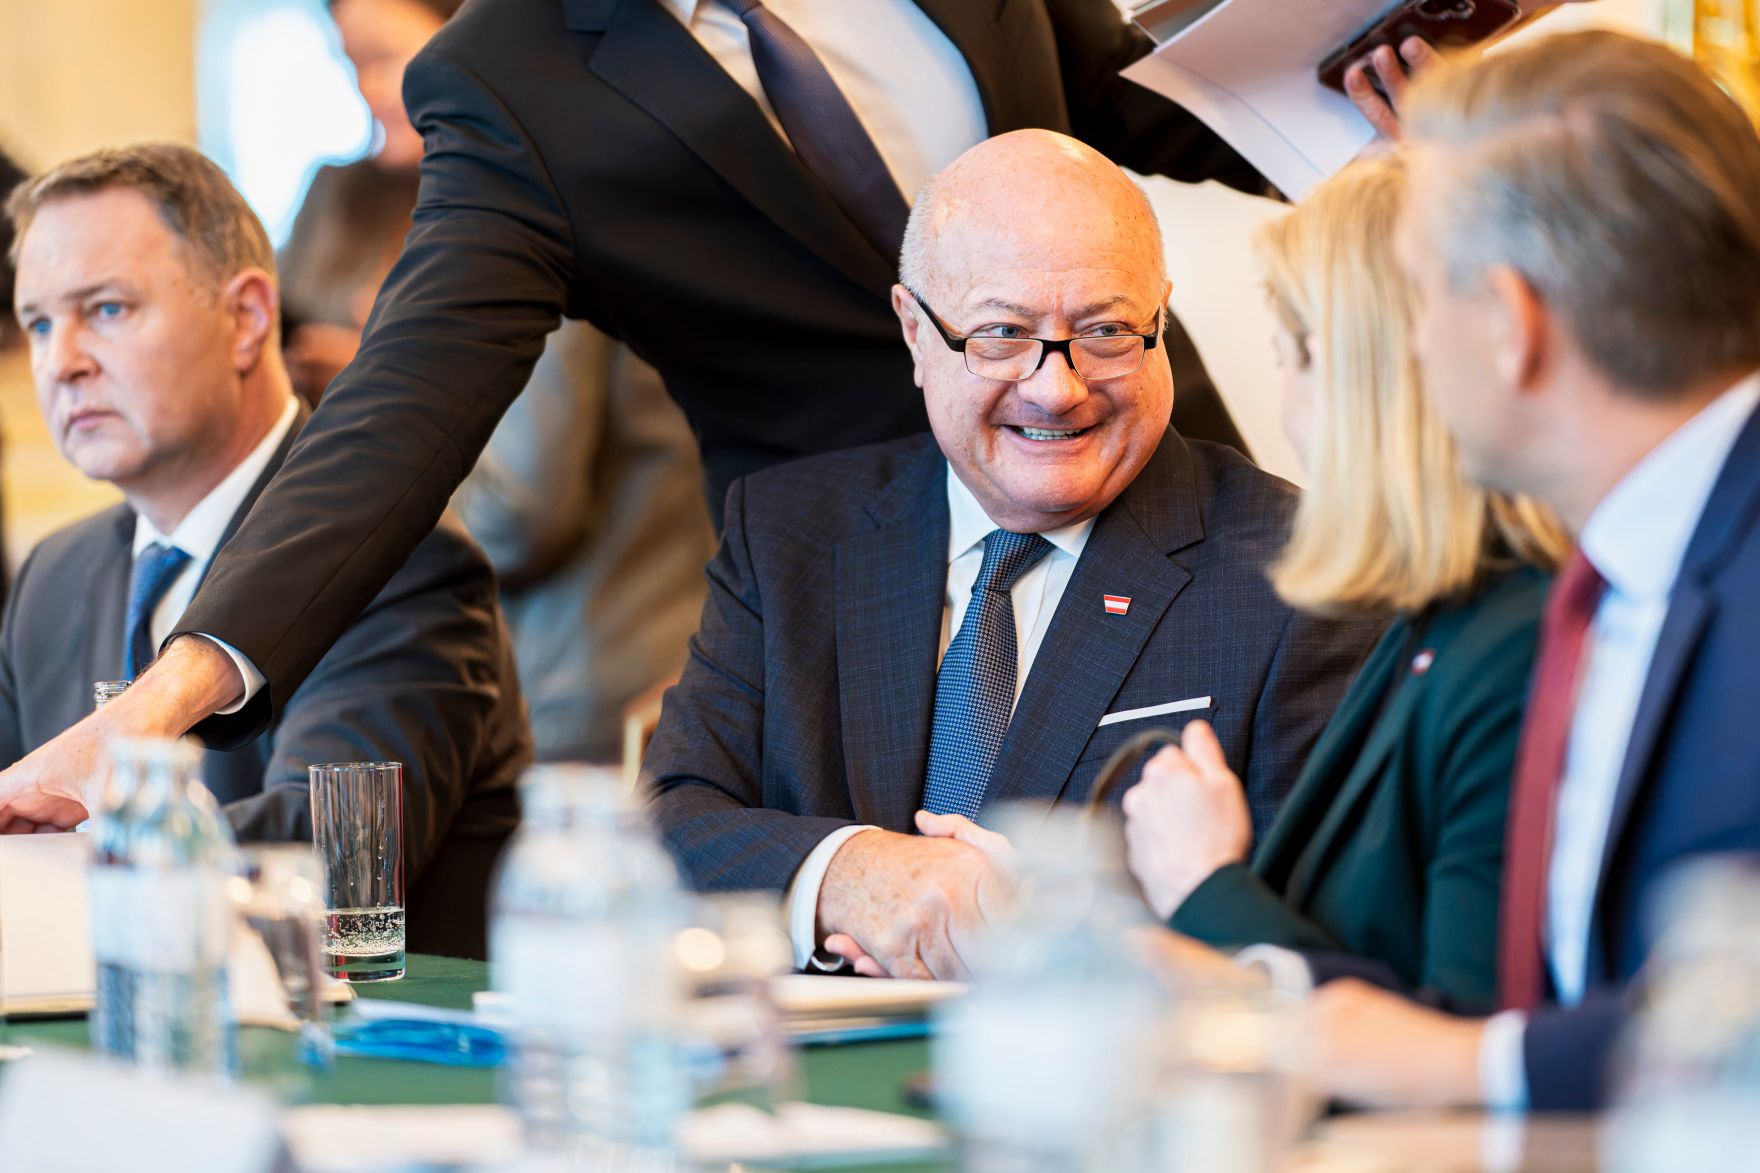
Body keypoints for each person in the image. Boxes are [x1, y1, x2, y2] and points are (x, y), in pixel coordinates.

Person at [0, 0, 1293, 828]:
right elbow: (399, 411)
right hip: (871, 607)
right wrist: (172, 692)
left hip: (1146, 507)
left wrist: (1361, 103)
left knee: (1224, 896)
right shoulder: (512, 79)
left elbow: (1124, 98)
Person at [644, 130, 1382, 982]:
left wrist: (1038, 920)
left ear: (1160, 316)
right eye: (1001, 334)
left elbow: (1318, 938)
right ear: (915, 332)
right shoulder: (790, 533)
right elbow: (669, 822)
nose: (1055, 387)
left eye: (1107, 331)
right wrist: (852, 875)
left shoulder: (1308, 571)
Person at [1296, 30, 1760, 1113]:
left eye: (1416, 298)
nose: (1405, 351)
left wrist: (1460, 1066)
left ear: (1508, 325)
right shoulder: (1609, 581)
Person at [5, 144, 532, 958]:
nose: (61, 361)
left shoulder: (401, 557)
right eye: (38, 322)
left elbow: (319, 851)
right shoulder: (52, 573)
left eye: (106, 308)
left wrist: (42, 880)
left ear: (248, 317)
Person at [1118, 157, 1568, 1013]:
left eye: (1287, 358)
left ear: (1352, 373)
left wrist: (1204, 885)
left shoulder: (1519, 648)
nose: (1284, 407)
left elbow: (1463, 1046)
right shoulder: (1434, 620)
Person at [283, 0, 713, 762]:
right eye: (351, 64)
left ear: (470, 38)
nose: (368, 89)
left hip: (579, 684)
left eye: (386, 58)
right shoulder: (364, 199)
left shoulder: (540, 202)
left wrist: (347, 540)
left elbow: (522, 511)